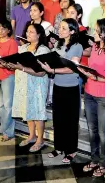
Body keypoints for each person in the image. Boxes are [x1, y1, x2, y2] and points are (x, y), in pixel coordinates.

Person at [78, 18, 105, 177]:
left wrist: (94, 77)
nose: (94, 33)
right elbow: (92, 69)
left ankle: (104, 163)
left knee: (103, 133)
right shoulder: (95, 47)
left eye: (96, 30)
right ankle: (94, 159)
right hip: (90, 93)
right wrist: (84, 71)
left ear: (104, 33)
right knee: (92, 131)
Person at [38, 18, 83, 163]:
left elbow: (72, 68)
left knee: (70, 120)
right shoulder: (59, 44)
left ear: (72, 31)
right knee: (58, 119)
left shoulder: (77, 46)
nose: (60, 30)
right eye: (60, 27)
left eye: (64, 28)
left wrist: (52, 69)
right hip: (58, 86)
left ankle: (71, 150)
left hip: (71, 88)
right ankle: (59, 147)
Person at [9, 23, 50, 152]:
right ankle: (31, 136)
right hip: (24, 82)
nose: (28, 34)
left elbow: (42, 72)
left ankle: (40, 139)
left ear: (38, 35)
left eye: (31, 32)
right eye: (27, 31)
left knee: (37, 111)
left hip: (37, 83)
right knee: (28, 109)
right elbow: (17, 63)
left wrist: (21, 67)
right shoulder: (23, 48)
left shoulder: (43, 50)